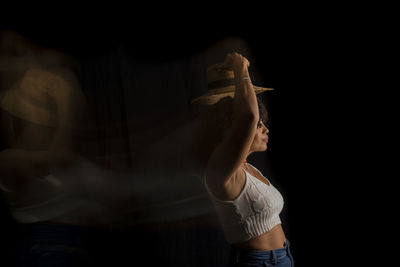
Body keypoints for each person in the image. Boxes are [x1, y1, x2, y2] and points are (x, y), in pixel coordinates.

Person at [190, 52, 294, 266]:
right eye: (259, 126)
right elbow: (248, 116)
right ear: (231, 127)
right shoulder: (220, 169)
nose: (265, 129)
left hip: (283, 256)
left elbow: (249, 117)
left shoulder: (247, 168)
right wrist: (241, 67)